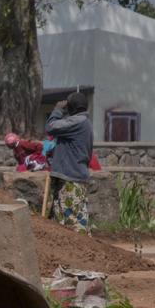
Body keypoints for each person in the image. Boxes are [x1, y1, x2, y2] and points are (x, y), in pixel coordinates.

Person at [45, 91, 93, 234]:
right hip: (71, 176)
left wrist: (58, 109)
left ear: (72, 107)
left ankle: (82, 252)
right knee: (62, 218)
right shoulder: (83, 122)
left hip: (71, 178)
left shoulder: (77, 122)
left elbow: (50, 127)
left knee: (74, 222)